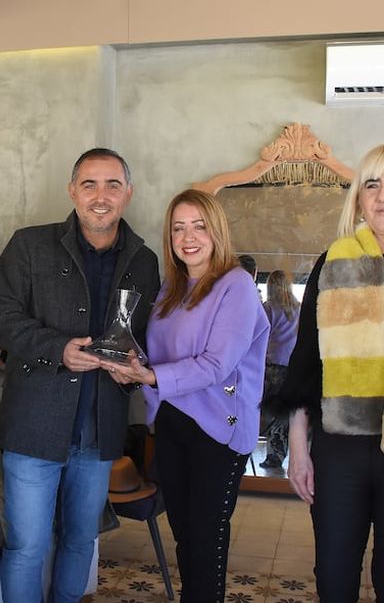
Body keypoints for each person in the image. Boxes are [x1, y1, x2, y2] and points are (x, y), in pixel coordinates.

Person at [0, 147, 160, 603]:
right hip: (33, 427)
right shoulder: (29, 244)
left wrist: (136, 369)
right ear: (72, 191)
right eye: (89, 184)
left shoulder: (145, 260)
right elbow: (1, 316)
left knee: (81, 540)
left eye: (112, 185)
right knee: (27, 546)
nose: (100, 196)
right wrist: (57, 349)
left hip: (100, 430)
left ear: (128, 193)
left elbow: (145, 335)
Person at [281, 143, 384, 603]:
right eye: (371, 184)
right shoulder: (333, 263)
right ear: (358, 199)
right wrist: (298, 448)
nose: (383, 194)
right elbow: (305, 362)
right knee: (333, 574)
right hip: (340, 450)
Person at [111, 189, 269, 602]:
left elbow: (217, 365)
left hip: (219, 428)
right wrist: (129, 359)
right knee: (186, 538)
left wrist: (149, 375)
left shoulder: (236, 285)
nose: (188, 236)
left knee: (206, 543)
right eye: (178, 228)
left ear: (216, 230)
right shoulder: (172, 288)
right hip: (172, 425)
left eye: (199, 225)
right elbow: (162, 355)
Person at [259, 269, 300, 469]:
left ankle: (271, 455)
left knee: (269, 410)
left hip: (272, 366)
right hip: (292, 366)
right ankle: (281, 452)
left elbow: (260, 336)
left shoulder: (268, 308)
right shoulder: (299, 308)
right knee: (284, 413)